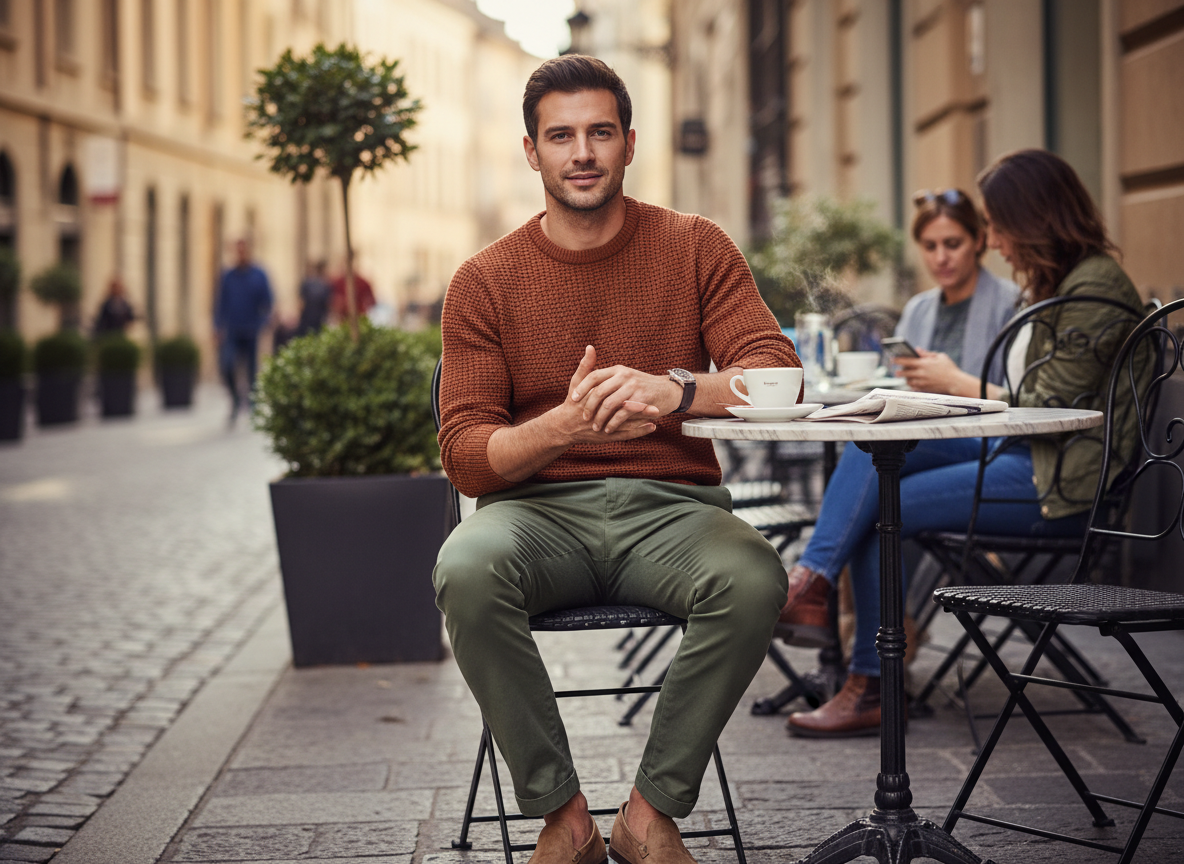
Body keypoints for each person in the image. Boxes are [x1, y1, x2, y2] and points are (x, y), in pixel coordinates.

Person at [434, 56, 797, 864]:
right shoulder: (483, 280)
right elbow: (467, 457)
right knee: (466, 568)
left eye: (599, 132)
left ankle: (648, 813)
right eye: (560, 136)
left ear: (630, 143)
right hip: (535, 516)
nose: (582, 152)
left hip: (673, 512)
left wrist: (677, 394)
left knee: (753, 577)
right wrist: (563, 425)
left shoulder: (695, 245)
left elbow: (778, 375)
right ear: (532, 152)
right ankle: (563, 819)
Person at [777, 149, 1147, 739]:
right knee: (876, 439)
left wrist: (956, 384)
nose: (994, 240)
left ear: (1034, 218)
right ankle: (816, 587)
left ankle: (865, 675)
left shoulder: (1094, 286)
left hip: (1061, 483)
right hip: (1025, 457)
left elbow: (1049, 403)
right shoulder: (1060, 282)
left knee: (881, 506)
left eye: (999, 224)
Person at [893, 188, 1020, 389]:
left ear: (979, 240)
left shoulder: (1012, 304)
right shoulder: (916, 310)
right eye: (930, 246)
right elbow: (897, 383)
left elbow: (1020, 398)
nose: (941, 258)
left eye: (952, 244)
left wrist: (952, 381)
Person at [214, 238, 273, 422]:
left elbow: (268, 302)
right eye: (237, 250)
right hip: (232, 329)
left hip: (251, 329)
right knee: (227, 365)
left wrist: (263, 323)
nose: (240, 254)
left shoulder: (259, 275)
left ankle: (253, 405)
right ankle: (235, 399)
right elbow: (220, 303)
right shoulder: (228, 276)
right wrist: (217, 326)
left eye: (243, 250)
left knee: (251, 370)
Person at [296, 259, 331, 336]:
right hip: (318, 317)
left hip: (308, 317)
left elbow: (301, 303)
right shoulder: (325, 285)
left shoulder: (307, 283)